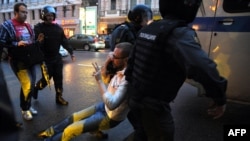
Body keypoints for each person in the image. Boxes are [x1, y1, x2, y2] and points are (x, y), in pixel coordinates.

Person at [124, 0, 227, 141]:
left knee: (142, 134)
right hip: (153, 105)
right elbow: (202, 67)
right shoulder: (178, 33)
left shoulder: (148, 29)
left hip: (134, 98)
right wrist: (219, 96)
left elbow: (130, 65)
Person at [37, 42, 132, 141]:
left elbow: (111, 104)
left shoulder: (128, 79)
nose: (112, 58)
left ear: (125, 60)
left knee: (70, 130)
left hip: (111, 117)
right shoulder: (119, 68)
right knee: (73, 117)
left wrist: (99, 80)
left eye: (115, 57)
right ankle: (51, 132)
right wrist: (108, 61)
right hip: (104, 107)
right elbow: (105, 79)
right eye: (112, 55)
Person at [0, 2, 44, 120]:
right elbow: (2, 42)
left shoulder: (28, 26)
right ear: (15, 12)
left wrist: (37, 42)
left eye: (26, 12)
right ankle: (24, 109)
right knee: (27, 84)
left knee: (32, 84)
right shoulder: (7, 25)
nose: (25, 14)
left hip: (29, 59)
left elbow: (31, 42)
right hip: (18, 61)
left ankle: (28, 106)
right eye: (22, 12)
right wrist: (16, 43)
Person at [33, 6, 75, 105]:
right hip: (45, 59)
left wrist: (71, 52)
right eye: (48, 15)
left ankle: (59, 97)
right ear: (43, 16)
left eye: (52, 15)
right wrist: (39, 41)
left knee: (58, 78)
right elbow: (35, 43)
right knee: (46, 80)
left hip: (56, 58)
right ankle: (36, 87)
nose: (50, 17)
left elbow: (64, 41)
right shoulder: (38, 28)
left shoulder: (58, 29)